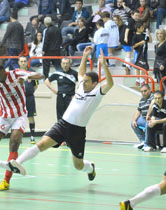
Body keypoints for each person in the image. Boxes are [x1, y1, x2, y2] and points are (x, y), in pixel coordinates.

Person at [8, 46, 114, 188]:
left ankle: (90, 167)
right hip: (63, 124)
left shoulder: (97, 93)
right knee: (42, 144)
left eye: (88, 81)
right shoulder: (82, 85)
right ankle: (18, 163)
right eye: (85, 80)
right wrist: (84, 56)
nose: (84, 82)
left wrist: (104, 65)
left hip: (77, 131)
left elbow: (110, 83)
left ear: (95, 83)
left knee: (78, 165)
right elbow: (81, 73)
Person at [45, 58, 79, 122]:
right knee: (60, 117)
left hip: (70, 97)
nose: (65, 65)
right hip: (60, 97)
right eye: (64, 63)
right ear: (61, 64)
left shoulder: (74, 73)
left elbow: (82, 83)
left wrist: (77, 94)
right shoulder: (57, 73)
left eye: (67, 63)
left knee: (70, 116)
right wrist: (54, 90)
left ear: (69, 64)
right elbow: (47, 81)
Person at [18, 56, 39, 144]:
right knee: (19, 118)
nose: (23, 63)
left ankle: (32, 136)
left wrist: (29, 92)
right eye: (21, 61)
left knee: (31, 116)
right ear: (19, 63)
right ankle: (19, 137)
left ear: (27, 62)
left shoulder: (32, 73)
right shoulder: (17, 73)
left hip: (29, 97)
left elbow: (36, 85)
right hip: (19, 99)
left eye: (24, 61)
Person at [131, 84, 154, 149]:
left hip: (153, 119)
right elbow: (139, 110)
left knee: (148, 124)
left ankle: (147, 144)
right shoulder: (142, 100)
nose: (143, 93)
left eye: (145, 91)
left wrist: (148, 115)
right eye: (142, 92)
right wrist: (134, 120)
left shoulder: (153, 97)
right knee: (133, 123)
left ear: (150, 90)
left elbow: (153, 103)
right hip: (144, 118)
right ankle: (143, 141)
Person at [154, 29, 166, 102]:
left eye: (161, 33)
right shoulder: (157, 44)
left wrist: (163, 64)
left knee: (165, 84)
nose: (159, 35)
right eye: (158, 33)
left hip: (164, 65)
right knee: (160, 84)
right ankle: (162, 100)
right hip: (157, 65)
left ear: (164, 34)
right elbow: (156, 56)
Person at [132, 21, 152, 86]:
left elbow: (150, 41)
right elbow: (133, 46)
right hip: (138, 53)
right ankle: (137, 80)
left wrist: (149, 34)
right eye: (141, 27)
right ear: (138, 28)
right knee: (137, 66)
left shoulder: (144, 35)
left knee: (143, 66)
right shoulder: (135, 36)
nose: (143, 29)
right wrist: (140, 43)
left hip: (144, 53)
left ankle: (142, 80)